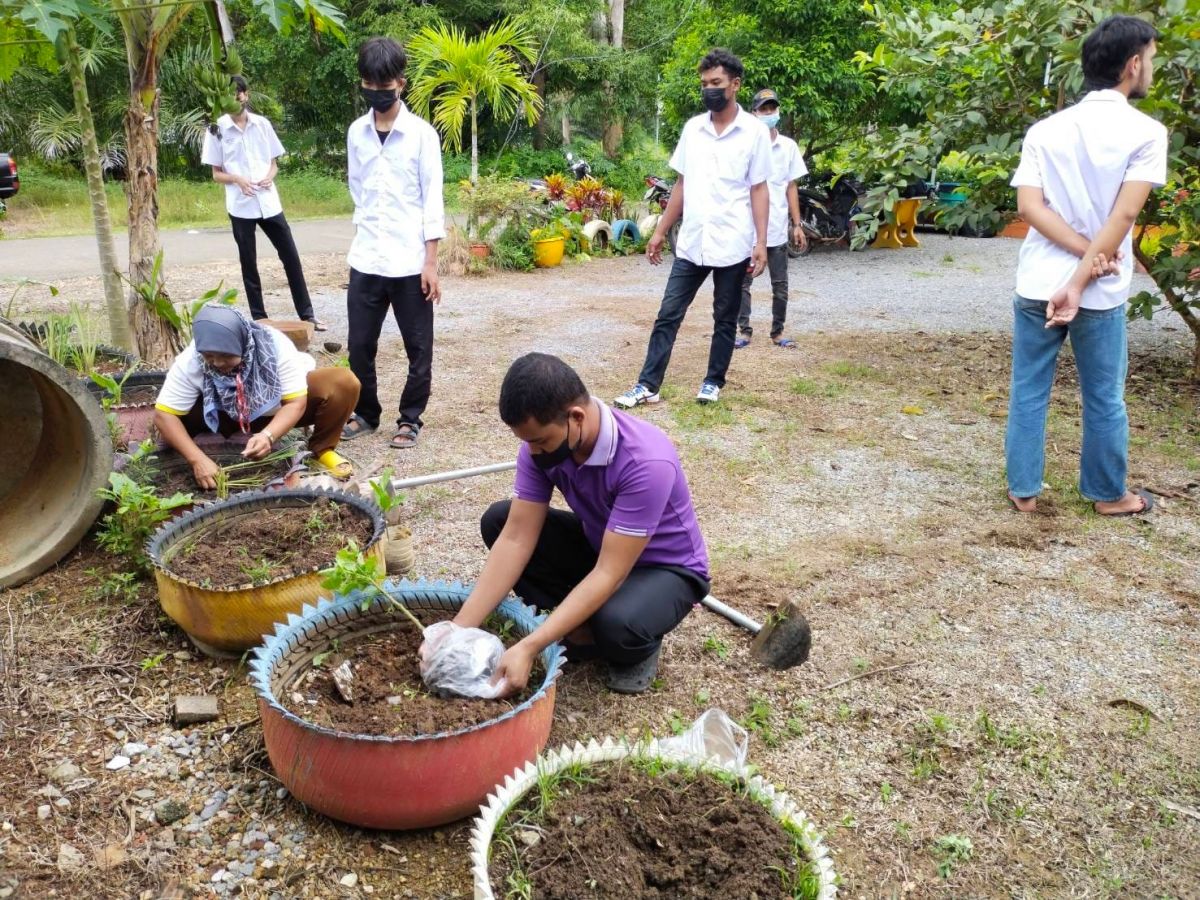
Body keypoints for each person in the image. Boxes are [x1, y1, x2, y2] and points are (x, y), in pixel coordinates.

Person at [442, 353, 711, 695]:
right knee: (498, 521)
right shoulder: (541, 449)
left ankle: (634, 644)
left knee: (616, 623)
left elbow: (610, 572)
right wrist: (457, 631)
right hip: (603, 545)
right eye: (527, 442)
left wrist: (530, 646)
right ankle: (579, 625)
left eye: (541, 441)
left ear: (576, 417)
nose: (533, 452)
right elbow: (516, 538)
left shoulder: (646, 461)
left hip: (666, 569)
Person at [1005, 15, 1167, 517]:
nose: (1152, 68)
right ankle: (1108, 495)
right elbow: (1124, 215)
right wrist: (1085, 271)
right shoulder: (1147, 132)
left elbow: (1029, 208)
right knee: (1103, 395)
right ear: (1133, 64)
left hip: (1037, 281)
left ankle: (1023, 490)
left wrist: (1078, 256)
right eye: (1152, 59)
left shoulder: (1045, 130)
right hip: (1098, 290)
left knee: (1028, 388)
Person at [614, 48, 770, 409]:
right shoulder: (693, 129)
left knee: (724, 317)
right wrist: (659, 232)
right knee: (668, 314)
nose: (709, 89)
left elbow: (759, 189)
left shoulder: (754, 133)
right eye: (704, 83)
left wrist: (761, 242)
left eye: (716, 82)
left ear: (735, 84)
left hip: (732, 241)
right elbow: (681, 185)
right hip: (692, 241)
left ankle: (713, 381)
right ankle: (647, 385)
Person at [339, 37, 444, 450]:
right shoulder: (356, 133)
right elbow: (358, 190)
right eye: (369, 84)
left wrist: (430, 262)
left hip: (409, 263)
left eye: (383, 86)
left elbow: (432, 200)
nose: (376, 92)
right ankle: (366, 413)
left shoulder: (421, 136)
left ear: (400, 83)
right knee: (359, 346)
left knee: (418, 348)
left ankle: (410, 418)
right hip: (367, 259)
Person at [153, 304, 359, 487]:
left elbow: (295, 403)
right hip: (222, 419)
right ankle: (201, 448)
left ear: (242, 344)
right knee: (173, 415)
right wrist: (196, 459)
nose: (217, 363)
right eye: (209, 356)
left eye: (226, 355)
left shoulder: (274, 345)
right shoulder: (191, 359)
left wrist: (268, 435)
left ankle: (322, 450)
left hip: (271, 413)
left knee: (343, 382)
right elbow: (163, 416)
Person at [200, 75, 324, 331]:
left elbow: (273, 163)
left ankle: (308, 315)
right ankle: (259, 319)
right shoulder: (217, 128)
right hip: (241, 205)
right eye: (230, 95)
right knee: (249, 263)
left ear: (246, 95)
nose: (235, 99)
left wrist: (269, 176)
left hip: (269, 202)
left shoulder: (262, 124)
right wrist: (237, 179)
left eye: (239, 94)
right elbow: (216, 174)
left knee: (290, 256)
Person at [734, 88, 807, 350]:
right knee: (742, 284)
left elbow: (791, 187)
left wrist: (797, 225)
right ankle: (744, 331)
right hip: (748, 231)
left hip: (776, 230)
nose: (768, 113)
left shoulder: (788, 147)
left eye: (772, 108)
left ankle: (778, 332)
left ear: (778, 111)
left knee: (781, 286)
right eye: (763, 109)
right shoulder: (744, 145)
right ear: (754, 113)